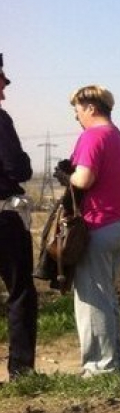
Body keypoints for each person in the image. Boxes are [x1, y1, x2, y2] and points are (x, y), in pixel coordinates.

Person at [57, 85, 120, 376]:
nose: (76, 116)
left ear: (90, 107)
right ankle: (116, 361)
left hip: (98, 226)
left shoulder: (92, 136)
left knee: (91, 301)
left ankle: (100, 368)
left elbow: (85, 178)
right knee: (107, 297)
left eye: (77, 109)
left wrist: (69, 176)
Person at [0, 53, 39, 381]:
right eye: (1, 83)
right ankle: (21, 371)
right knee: (20, 291)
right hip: (3, 220)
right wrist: (24, 160)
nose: (3, 92)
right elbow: (18, 168)